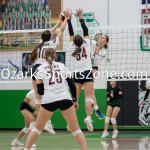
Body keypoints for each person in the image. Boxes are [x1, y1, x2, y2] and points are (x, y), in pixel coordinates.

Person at [23, 48, 87, 150]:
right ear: (56, 56)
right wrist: (74, 100)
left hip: (49, 99)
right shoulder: (62, 66)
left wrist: (49, 92)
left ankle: (26, 149)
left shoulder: (39, 69)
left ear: (44, 57)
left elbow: (39, 91)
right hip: (65, 98)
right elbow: (72, 85)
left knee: (37, 129)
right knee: (76, 130)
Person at [29, 9, 72, 118]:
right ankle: (46, 119)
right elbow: (61, 31)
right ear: (49, 37)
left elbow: (50, 32)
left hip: (35, 69)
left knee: (38, 94)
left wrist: (58, 21)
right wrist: (65, 20)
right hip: (44, 69)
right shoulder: (52, 44)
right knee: (49, 91)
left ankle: (42, 118)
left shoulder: (40, 43)